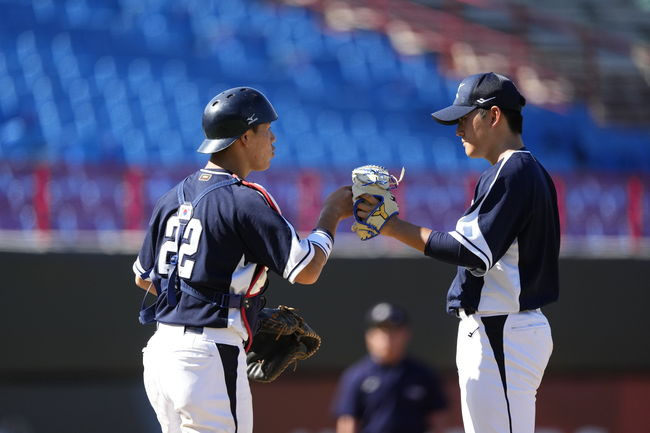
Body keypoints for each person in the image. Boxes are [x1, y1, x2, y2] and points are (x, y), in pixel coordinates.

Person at [132, 87, 352, 433]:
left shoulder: (172, 196)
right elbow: (306, 269)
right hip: (207, 355)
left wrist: (227, 302)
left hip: (161, 352)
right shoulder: (244, 199)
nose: (273, 138)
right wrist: (331, 214)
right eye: (266, 130)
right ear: (245, 137)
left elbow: (145, 278)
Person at [355, 72, 559, 433]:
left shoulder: (514, 170)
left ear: (493, 116)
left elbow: (469, 251)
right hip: (502, 327)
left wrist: (387, 223)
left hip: (502, 328)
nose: (458, 129)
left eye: (464, 118)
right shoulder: (512, 171)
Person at [332, 302, 448, 433]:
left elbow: (438, 419)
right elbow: (347, 422)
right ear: (369, 336)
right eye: (382, 331)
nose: (387, 337)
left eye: (394, 330)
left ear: (406, 334)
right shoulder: (356, 375)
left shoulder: (423, 374)